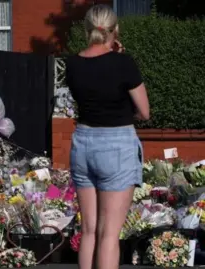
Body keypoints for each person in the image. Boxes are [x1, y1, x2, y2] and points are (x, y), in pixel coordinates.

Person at [65, 4, 150, 269]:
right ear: (115, 29)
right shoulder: (123, 63)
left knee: (89, 230)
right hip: (116, 145)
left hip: (83, 143)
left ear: (88, 29)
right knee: (109, 233)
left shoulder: (73, 64)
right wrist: (120, 59)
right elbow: (144, 111)